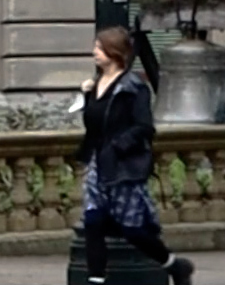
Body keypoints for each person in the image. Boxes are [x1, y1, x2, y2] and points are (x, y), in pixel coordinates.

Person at [76, 25, 194, 285]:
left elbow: (144, 127)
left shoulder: (133, 87)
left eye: (99, 47)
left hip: (123, 166)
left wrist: (119, 146)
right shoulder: (96, 85)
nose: (94, 52)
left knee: (133, 229)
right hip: (98, 161)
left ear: (114, 52)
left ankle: (175, 266)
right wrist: (86, 97)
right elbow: (92, 123)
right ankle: (95, 279)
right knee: (92, 222)